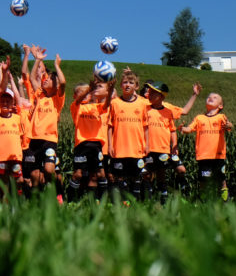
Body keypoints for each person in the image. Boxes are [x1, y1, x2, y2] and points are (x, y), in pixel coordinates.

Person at [21, 46, 66, 199]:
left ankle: (57, 194)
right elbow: (32, 78)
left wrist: (56, 67)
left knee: (48, 170)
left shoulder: (57, 99)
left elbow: (64, 82)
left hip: (49, 141)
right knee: (34, 176)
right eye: (46, 79)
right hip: (34, 140)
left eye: (50, 79)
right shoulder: (40, 95)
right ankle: (36, 202)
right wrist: (38, 60)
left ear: (56, 85)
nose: (45, 79)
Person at [143, 81, 200, 202]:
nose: (150, 95)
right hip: (148, 148)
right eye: (150, 92)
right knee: (147, 174)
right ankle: (148, 199)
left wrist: (194, 95)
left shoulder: (168, 110)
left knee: (163, 173)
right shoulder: (144, 108)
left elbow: (184, 112)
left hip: (163, 148)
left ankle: (169, 195)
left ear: (162, 97)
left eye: (154, 93)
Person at [107, 67, 151, 198]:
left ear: (137, 87)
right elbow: (110, 126)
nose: (127, 85)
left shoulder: (142, 104)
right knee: (119, 178)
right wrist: (110, 145)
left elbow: (146, 127)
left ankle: (135, 205)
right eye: (125, 82)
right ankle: (121, 205)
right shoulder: (114, 103)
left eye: (131, 83)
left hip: (136, 147)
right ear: (121, 85)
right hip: (119, 147)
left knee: (136, 177)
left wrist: (147, 144)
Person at [181, 91, 233, 201]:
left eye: (215, 97)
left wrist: (229, 125)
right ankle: (203, 202)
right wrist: (183, 129)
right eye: (209, 97)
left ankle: (225, 202)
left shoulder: (221, 117)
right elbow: (190, 129)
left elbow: (229, 126)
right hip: (203, 156)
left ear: (220, 106)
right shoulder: (199, 118)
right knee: (203, 181)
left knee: (221, 180)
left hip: (218, 156)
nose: (211, 98)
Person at [0, 59, 27, 200]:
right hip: (1, 158)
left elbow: (22, 137)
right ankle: (4, 213)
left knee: (18, 183)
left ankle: (17, 208)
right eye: (2, 101)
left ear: (12, 104)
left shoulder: (17, 118)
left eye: (8, 101)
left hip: (15, 157)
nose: (5, 103)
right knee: (3, 186)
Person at [67, 77, 113, 201]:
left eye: (87, 91)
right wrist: (89, 89)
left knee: (97, 175)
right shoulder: (76, 107)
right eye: (81, 92)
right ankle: (71, 200)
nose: (85, 94)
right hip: (82, 145)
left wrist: (111, 89)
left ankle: (97, 202)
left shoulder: (97, 107)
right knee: (78, 174)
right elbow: (79, 100)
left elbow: (107, 104)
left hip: (96, 145)